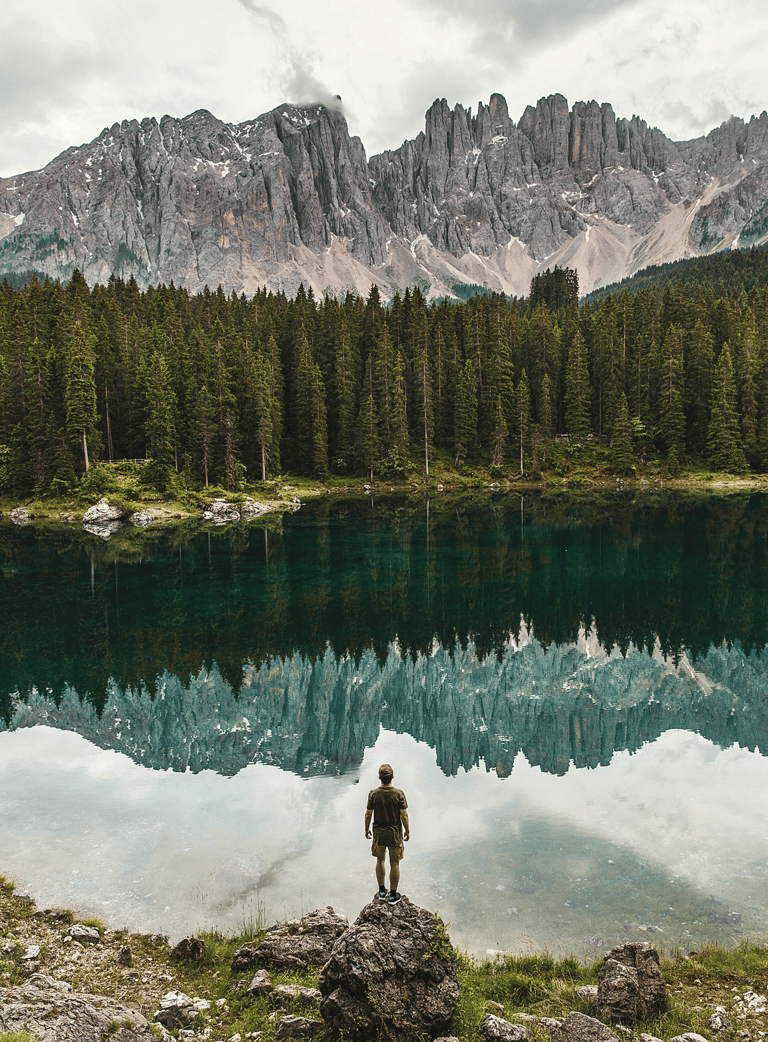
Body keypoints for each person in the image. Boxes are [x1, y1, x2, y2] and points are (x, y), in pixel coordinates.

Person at [364, 762, 409, 904]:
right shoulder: (399, 794)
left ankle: (382, 891)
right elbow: (404, 815)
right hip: (394, 833)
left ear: (379, 777)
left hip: (378, 833)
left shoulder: (373, 794)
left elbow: (368, 814)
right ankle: (393, 895)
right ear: (392, 777)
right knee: (394, 863)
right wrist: (407, 830)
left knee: (380, 860)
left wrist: (366, 829)